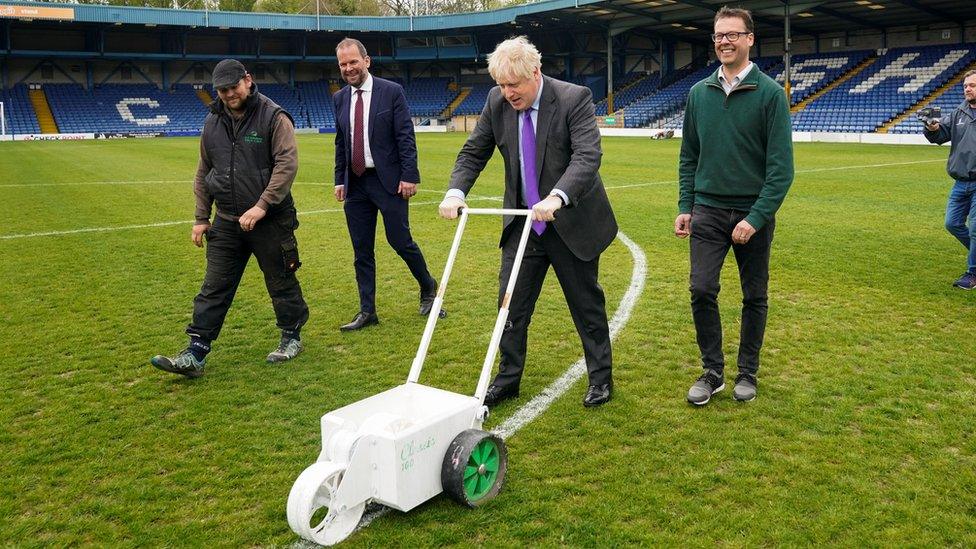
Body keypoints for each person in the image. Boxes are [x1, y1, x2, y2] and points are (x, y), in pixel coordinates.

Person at [439, 36, 618, 408]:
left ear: (535, 72)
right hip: (523, 225)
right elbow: (474, 151)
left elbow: (587, 157)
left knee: (586, 306)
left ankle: (600, 379)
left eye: (514, 85)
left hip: (569, 222)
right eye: (502, 86)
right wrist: (456, 191)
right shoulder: (496, 102)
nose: (508, 93)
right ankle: (508, 379)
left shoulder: (573, 98)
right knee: (510, 305)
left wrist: (558, 196)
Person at [151, 59, 309, 378]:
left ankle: (291, 336)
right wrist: (200, 217)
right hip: (226, 220)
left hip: (271, 220)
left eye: (233, 87)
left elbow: (286, 165)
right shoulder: (213, 121)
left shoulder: (273, 116)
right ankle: (196, 352)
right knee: (214, 286)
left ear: (247, 80)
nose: (228, 94)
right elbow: (203, 171)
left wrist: (262, 205)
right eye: (222, 90)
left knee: (280, 280)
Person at [675, 6, 794, 405]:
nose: (723, 41)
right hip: (707, 210)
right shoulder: (698, 93)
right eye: (718, 35)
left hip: (751, 214)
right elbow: (689, 155)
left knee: (753, 295)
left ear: (749, 39)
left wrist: (756, 217)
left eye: (732, 35)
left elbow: (781, 170)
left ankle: (748, 373)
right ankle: (712, 371)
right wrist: (685, 204)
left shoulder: (771, 95)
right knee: (701, 288)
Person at [332, 38, 442, 331]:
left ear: (366, 61)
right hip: (355, 184)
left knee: (400, 240)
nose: (348, 68)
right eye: (343, 64)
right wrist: (338, 180)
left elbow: (405, 136)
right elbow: (341, 142)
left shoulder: (391, 92)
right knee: (361, 249)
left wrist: (409, 176)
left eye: (353, 61)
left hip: (389, 182)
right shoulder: (340, 98)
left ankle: (428, 287)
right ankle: (367, 311)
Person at [923, 70, 976, 290]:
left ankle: (972, 274)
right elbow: (940, 133)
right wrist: (932, 127)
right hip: (960, 182)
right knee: (952, 224)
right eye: (965, 86)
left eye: (972, 85)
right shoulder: (959, 112)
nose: (967, 89)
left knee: (975, 229)